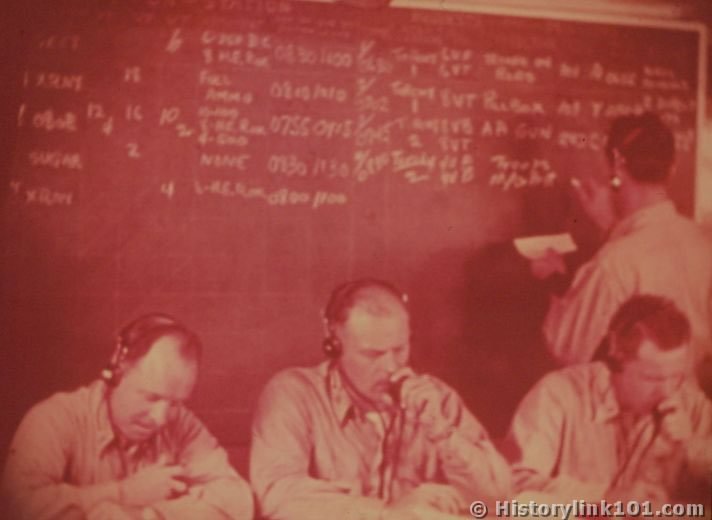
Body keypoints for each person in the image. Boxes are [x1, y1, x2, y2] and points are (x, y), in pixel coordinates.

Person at [250, 279, 511, 520]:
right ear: (334, 344)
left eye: (400, 350)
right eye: (373, 354)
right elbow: (278, 493)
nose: (391, 367)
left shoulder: (437, 399)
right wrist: (385, 513)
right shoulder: (293, 394)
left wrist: (443, 433)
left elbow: (499, 501)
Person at [2, 313, 254, 520]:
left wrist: (149, 516)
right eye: (151, 397)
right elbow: (14, 508)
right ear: (117, 371)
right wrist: (124, 494)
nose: (161, 418)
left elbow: (237, 498)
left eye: (176, 403)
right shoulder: (54, 419)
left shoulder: (181, 423)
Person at [532, 112, 712, 384]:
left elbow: (565, 348)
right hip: (698, 402)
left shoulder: (615, 261)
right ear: (672, 167)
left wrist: (553, 282)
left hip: (643, 403)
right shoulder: (702, 241)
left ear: (617, 162)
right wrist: (611, 227)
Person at [503, 295, 712, 505]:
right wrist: (606, 497)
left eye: (676, 377)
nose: (667, 392)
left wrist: (692, 449)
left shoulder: (689, 402)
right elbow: (515, 483)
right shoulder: (558, 395)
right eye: (652, 378)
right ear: (617, 359)